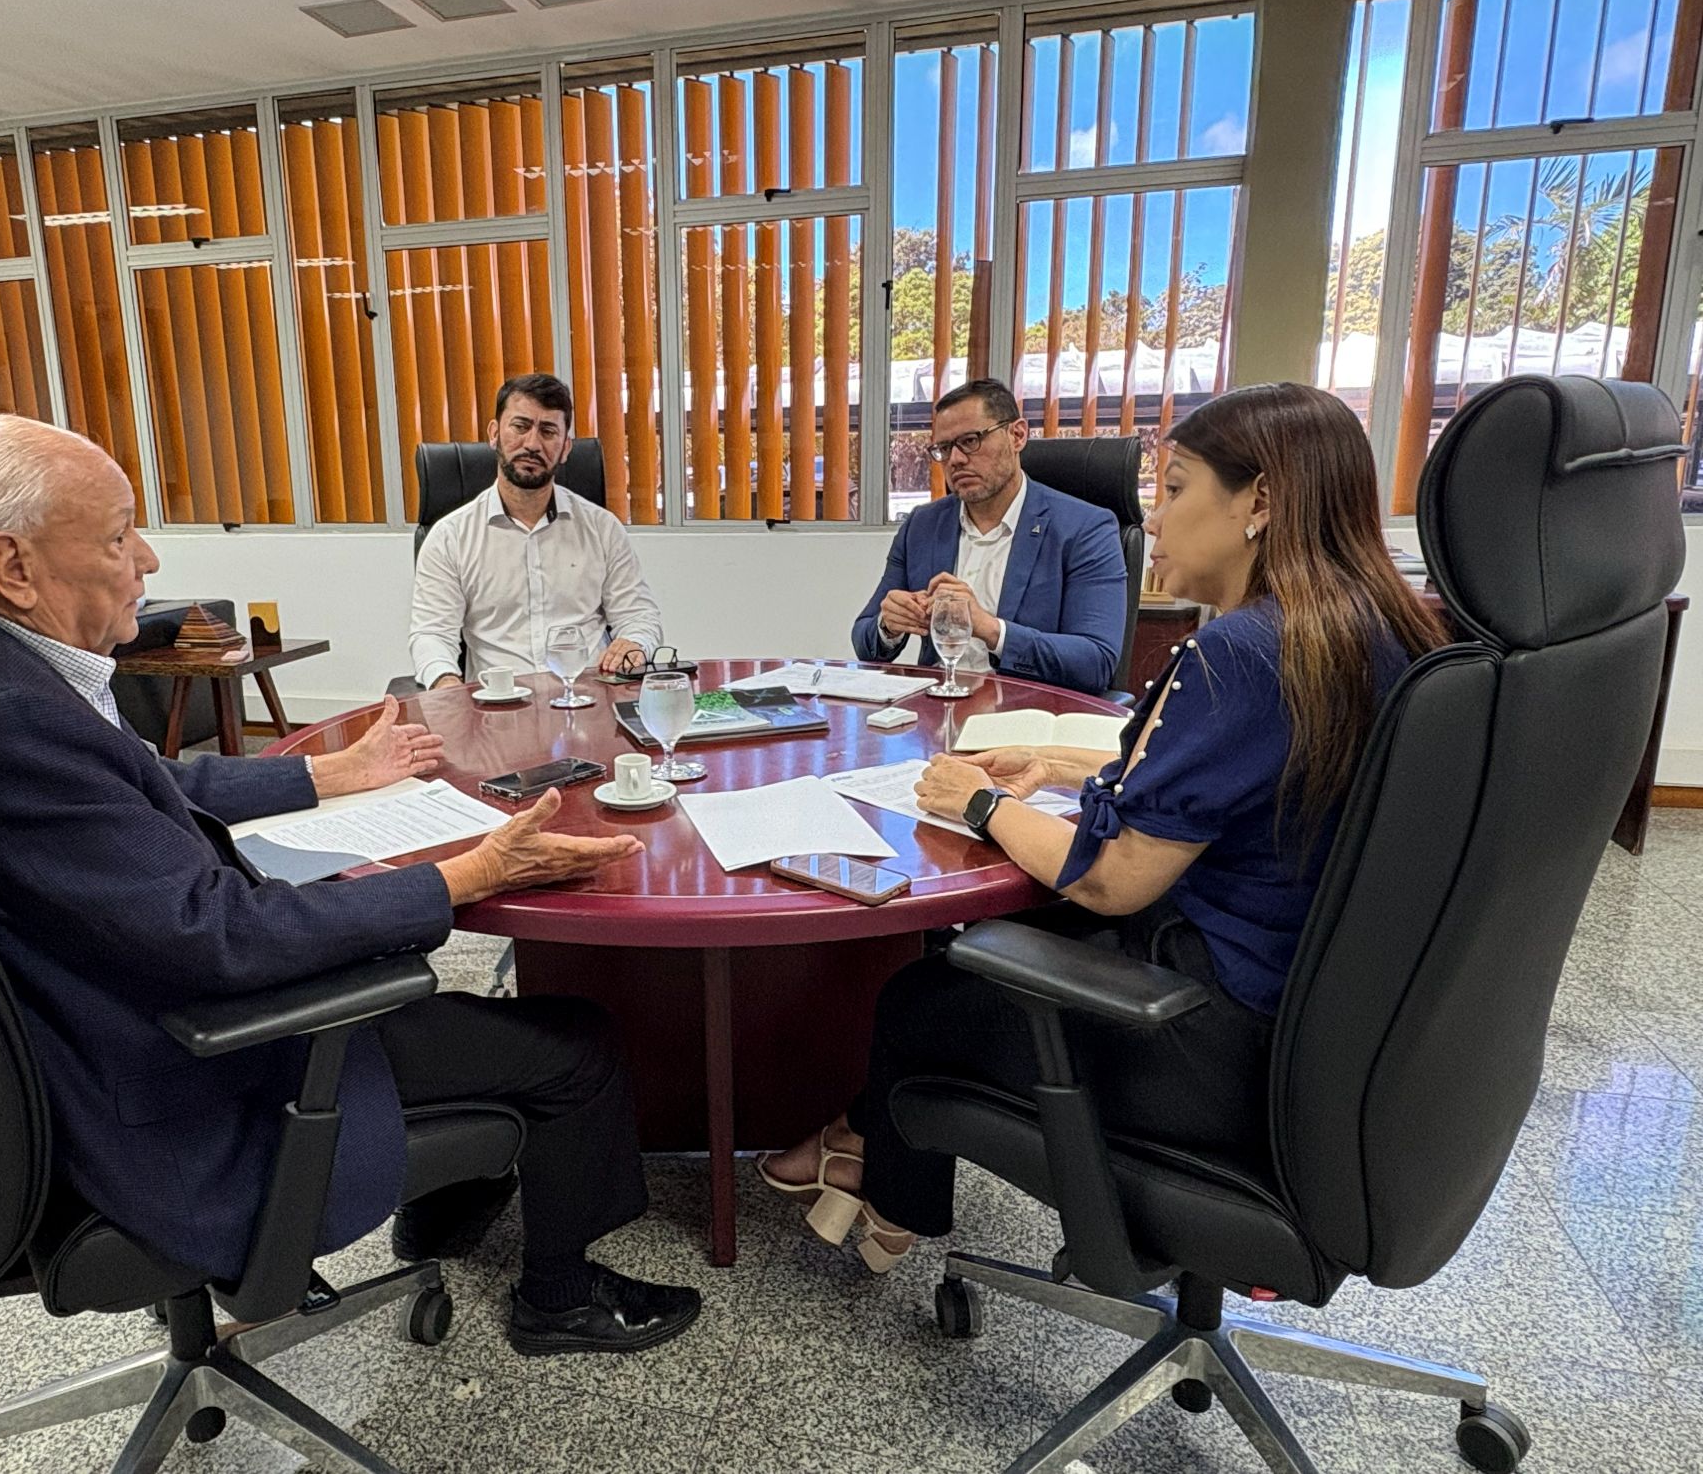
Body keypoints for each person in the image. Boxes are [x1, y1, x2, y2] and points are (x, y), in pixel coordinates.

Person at [0, 415, 701, 1357]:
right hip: (191, 1073)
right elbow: (216, 935)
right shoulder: (7, 717)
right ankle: (558, 1299)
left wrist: (327, 774)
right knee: (575, 1043)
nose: (147, 558)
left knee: (459, 1011)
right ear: (10, 565)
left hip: (114, 1020)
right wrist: (467, 873)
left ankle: (442, 1216)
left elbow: (146, 783)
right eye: (116, 536)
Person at [765, 382, 1447, 1270]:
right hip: (1311, 1026)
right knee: (999, 936)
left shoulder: (1238, 654)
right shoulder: (1367, 627)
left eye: (1177, 489)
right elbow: (1233, 787)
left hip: (1208, 1037)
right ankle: (861, 1159)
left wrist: (980, 803)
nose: (1152, 520)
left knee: (918, 996)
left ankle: (890, 1198)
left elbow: (1110, 878)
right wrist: (1053, 769)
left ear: (1261, 501)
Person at [851, 378, 1129, 693]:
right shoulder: (923, 525)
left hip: (1026, 711)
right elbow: (864, 640)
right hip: (934, 707)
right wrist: (888, 626)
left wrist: (990, 629)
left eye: (970, 440)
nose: (956, 459)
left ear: (1017, 435)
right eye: (945, 448)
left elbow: (1095, 662)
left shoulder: (1085, 528)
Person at [409, 374, 664, 690]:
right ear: (494, 434)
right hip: (497, 705)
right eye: (520, 426)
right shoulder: (450, 537)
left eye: (548, 431)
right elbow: (431, 633)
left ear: (565, 448)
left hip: (590, 700)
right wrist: (445, 682)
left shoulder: (602, 528)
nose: (532, 444)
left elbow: (639, 616)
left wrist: (634, 643)